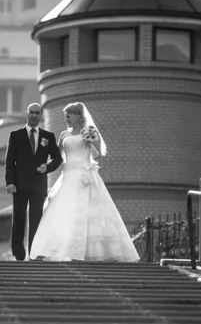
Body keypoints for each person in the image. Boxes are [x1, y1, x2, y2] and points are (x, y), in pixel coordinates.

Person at [30, 102, 140, 262]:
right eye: (65, 116)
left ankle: (88, 252)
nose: (66, 119)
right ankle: (55, 249)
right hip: (67, 178)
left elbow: (98, 156)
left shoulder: (89, 131)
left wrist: (91, 142)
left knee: (88, 212)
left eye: (68, 116)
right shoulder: (63, 135)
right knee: (63, 211)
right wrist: (44, 166)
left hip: (85, 178)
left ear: (78, 117)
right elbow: (57, 157)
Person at [5, 103, 63, 261]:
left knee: (36, 220)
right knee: (18, 219)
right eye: (31, 112)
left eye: (37, 113)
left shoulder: (48, 136)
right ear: (26, 114)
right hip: (19, 184)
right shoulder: (15, 135)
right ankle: (18, 253)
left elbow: (58, 158)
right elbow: (10, 162)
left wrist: (48, 167)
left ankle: (34, 252)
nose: (34, 115)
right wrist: (10, 182)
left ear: (41, 115)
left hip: (38, 185)